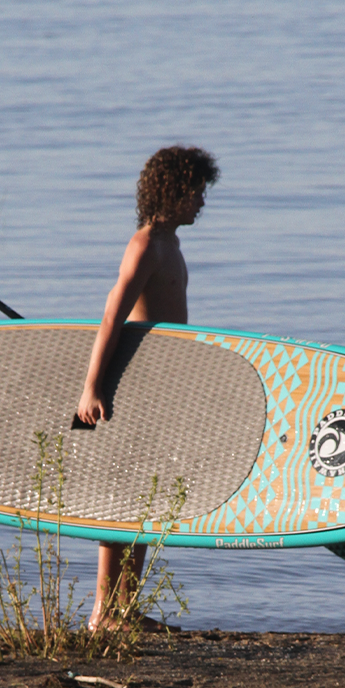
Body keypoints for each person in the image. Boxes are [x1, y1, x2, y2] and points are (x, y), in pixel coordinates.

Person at [76, 146, 219, 632]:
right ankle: (102, 613)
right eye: (196, 191)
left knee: (145, 500)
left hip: (158, 389)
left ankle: (124, 610)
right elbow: (112, 315)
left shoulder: (172, 245)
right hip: (128, 388)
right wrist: (92, 387)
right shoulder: (146, 246)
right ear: (173, 190)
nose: (202, 200)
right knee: (119, 498)